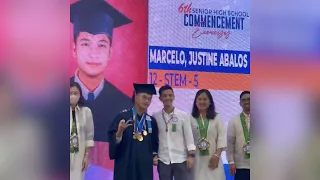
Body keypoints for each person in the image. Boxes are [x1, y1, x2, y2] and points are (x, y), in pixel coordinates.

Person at [70, 0, 133, 142]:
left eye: (101, 45)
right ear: (74, 49)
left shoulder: (124, 105)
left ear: (110, 52)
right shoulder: (57, 99)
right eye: (86, 44)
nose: (94, 53)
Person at [108, 83, 159, 180]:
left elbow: (154, 144)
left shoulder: (151, 121)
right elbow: (113, 144)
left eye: (149, 99)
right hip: (125, 165)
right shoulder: (122, 117)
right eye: (144, 97)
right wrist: (119, 132)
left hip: (144, 167)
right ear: (136, 96)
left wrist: (154, 156)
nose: (147, 101)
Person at [152, 85, 196, 180]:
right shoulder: (155, 116)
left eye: (170, 95)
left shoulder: (183, 115)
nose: (168, 98)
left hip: (181, 158)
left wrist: (191, 156)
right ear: (160, 98)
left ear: (174, 97)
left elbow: (189, 136)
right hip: (163, 159)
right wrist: (154, 154)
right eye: (165, 96)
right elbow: (154, 139)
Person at [190, 89, 227, 180]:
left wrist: (217, 155)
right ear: (195, 101)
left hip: (213, 159)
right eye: (199, 99)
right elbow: (187, 139)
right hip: (196, 160)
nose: (202, 102)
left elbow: (222, 137)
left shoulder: (217, 118)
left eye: (205, 99)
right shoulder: (189, 118)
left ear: (210, 102)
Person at [70, 82, 95, 180]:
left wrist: (86, 156)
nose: (73, 96)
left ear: (80, 95)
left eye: (75, 93)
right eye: (70, 93)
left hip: (78, 155)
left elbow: (89, 136)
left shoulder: (86, 112)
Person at [226, 91, 250, 180]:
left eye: (249, 99)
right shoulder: (234, 121)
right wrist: (231, 161)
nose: (247, 102)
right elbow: (230, 144)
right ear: (240, 103)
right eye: (244, 100)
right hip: (241, 165)